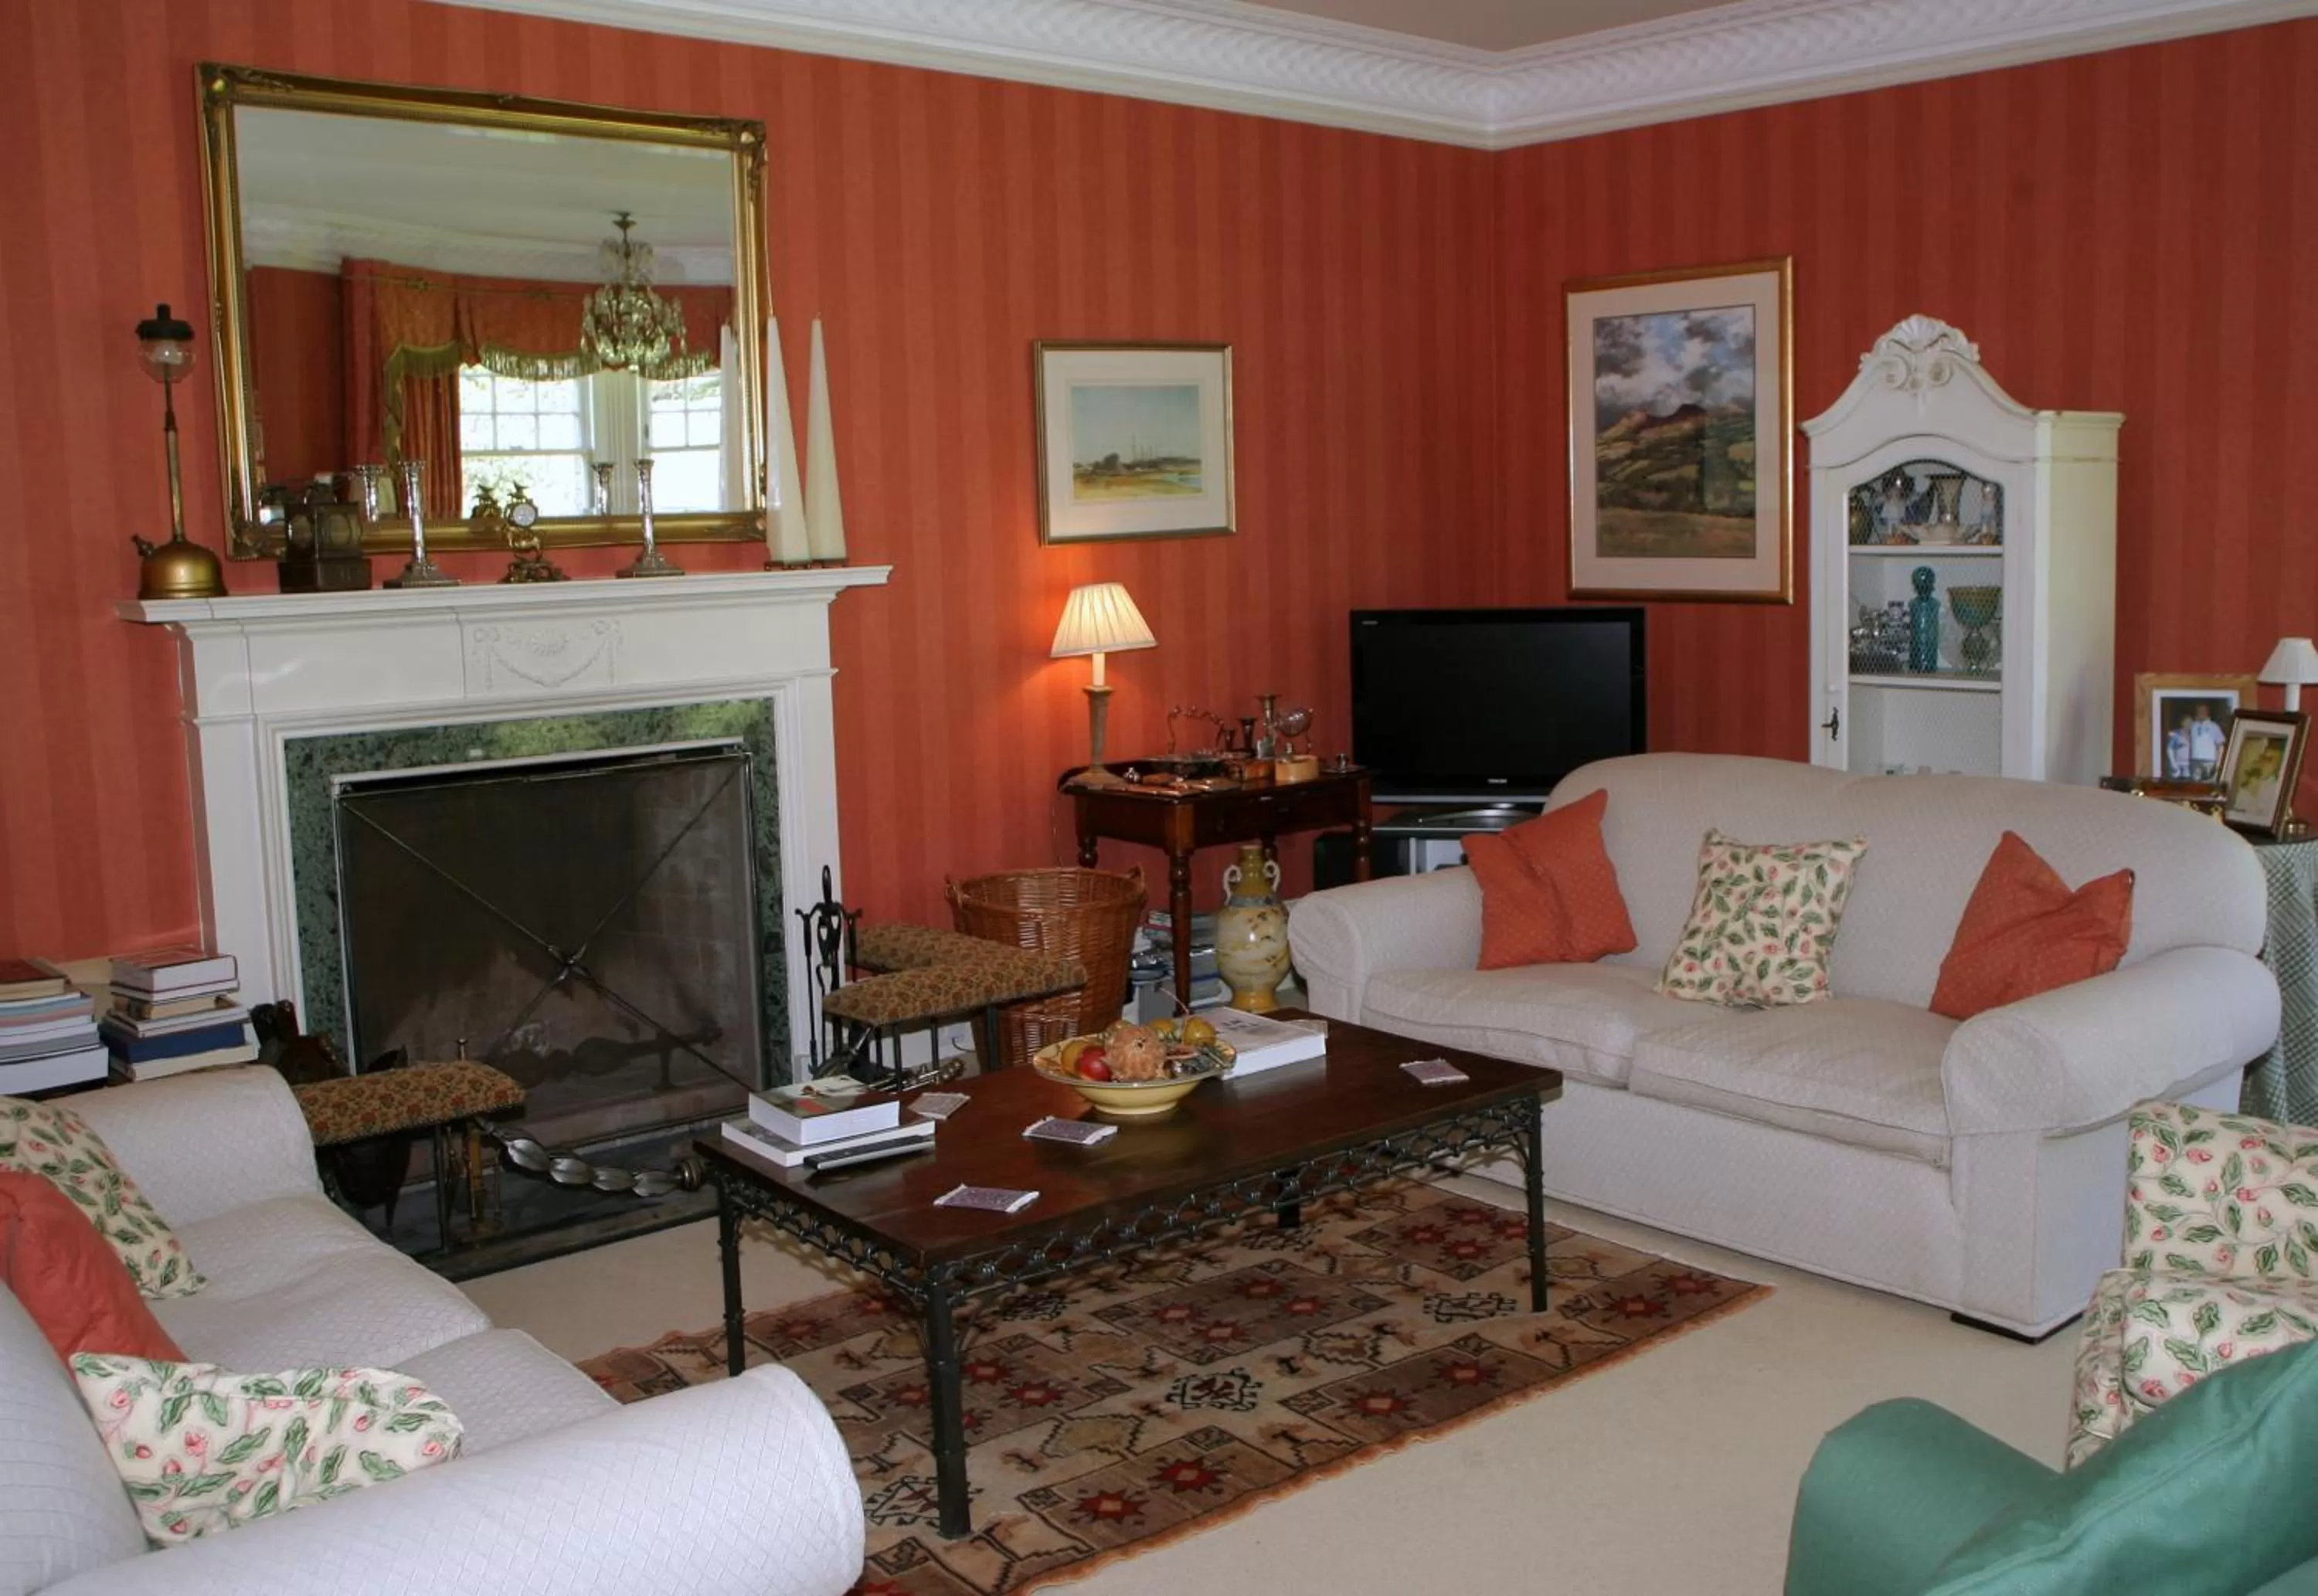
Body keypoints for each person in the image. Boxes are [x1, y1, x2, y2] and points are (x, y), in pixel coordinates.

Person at [2233, 741, 2285, 825]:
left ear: (2278, 765)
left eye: (2269, 760)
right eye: (2263, 758)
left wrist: (2253, 795)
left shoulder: (2277, 790)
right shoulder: (2248, 784)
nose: (2263, 763)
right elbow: (2238, 813)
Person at [2188, 702, 2228, 780]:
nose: (2201, 712)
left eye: (2204, 711)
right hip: (2195, 760)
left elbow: (2220, 745)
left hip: (2210, 761)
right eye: (2199, 711)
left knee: (2209, 784)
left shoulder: (2214, 726)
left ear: (2207, 712)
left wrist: (2218, 762)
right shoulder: (2193, 726)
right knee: (2196, 786)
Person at [2166, 714, 2194, 779]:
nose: (2189, 724)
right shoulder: (2176, 734)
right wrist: (2173, 764)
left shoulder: (2193, 735)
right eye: (2187, 722)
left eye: (2191, 722)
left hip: (2188, 766)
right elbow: (2170, 749)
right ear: (2182, 723)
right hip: (2178, 765)